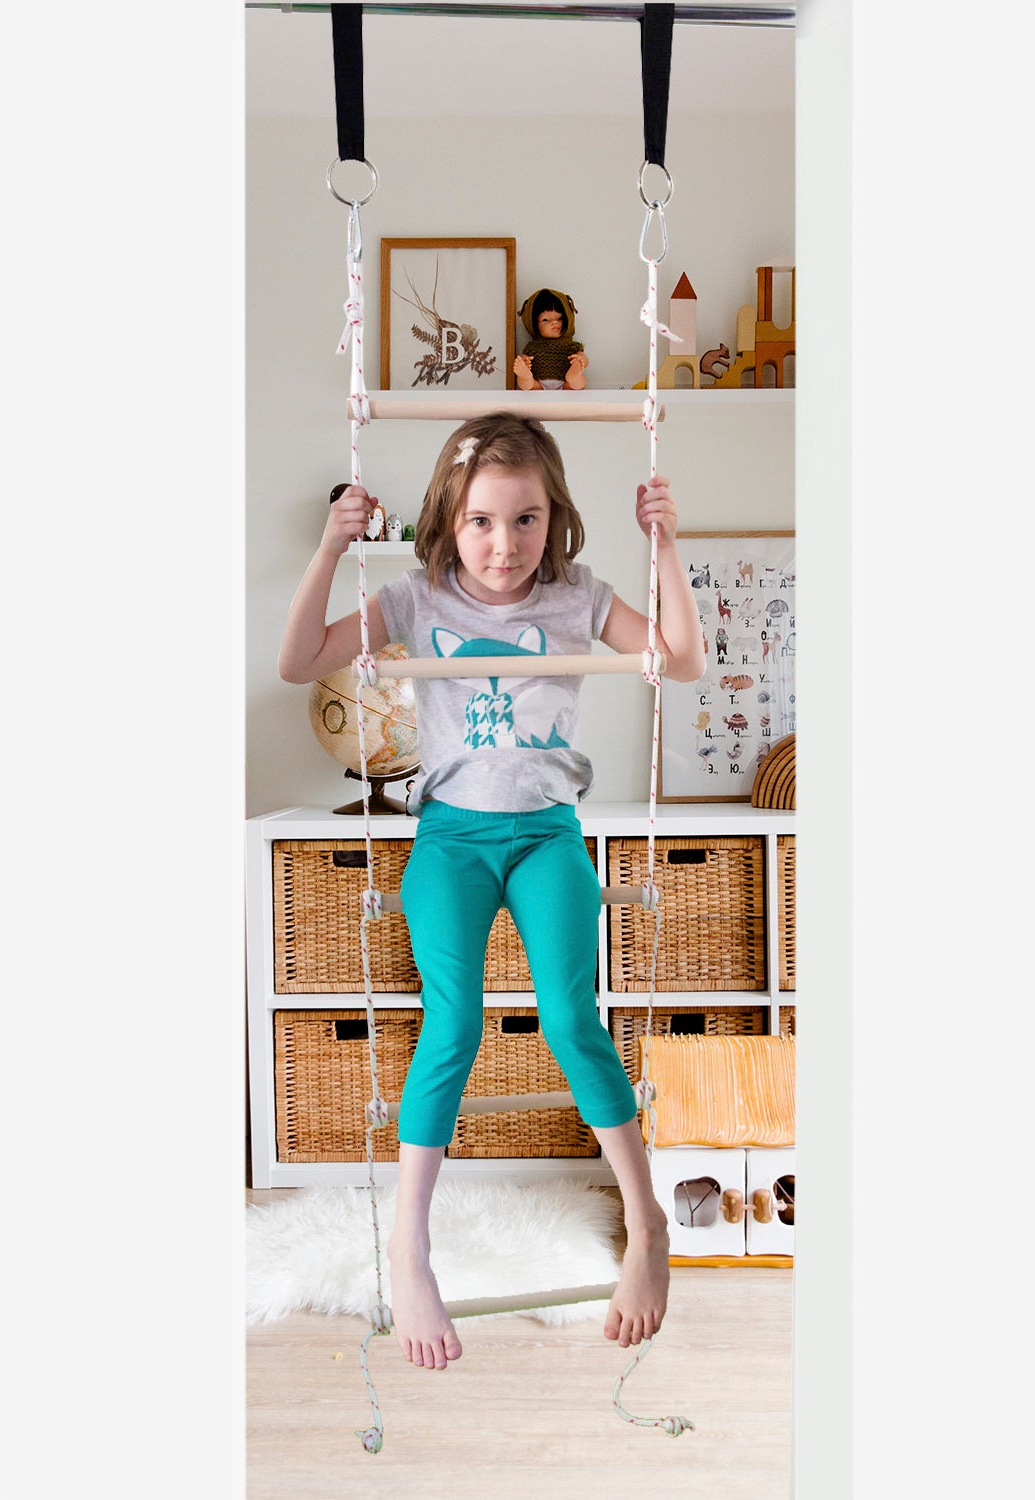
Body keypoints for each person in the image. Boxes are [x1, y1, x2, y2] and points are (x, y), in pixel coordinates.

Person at [278, 412, 705, 1372]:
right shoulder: (414, 596)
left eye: (526, 519)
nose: (503, 545)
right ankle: (408, 1247)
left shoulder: (577, 597)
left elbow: (680, 659)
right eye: (481, 520)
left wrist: (666, 546)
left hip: (548, 834)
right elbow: (298, 659)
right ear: (448, 518)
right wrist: (328, 546)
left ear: (554, 519)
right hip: (453, 840)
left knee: (571, 1019)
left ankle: (647, 1227)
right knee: (453, 1024)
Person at [513, 288, 590, 391]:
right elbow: (527, 357)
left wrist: (580, 361)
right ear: (534, 324)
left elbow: (584, 359)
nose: (554, 322)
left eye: (559, 318)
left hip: (565, 384)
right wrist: (525, 363)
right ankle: (525, 377)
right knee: (527, 385)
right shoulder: (533, 347)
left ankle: (573, 377)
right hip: (539, 385)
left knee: (579, 383)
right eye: (545, 320)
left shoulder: (571, 346)